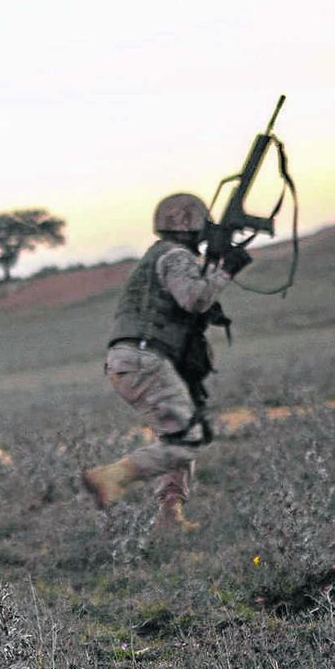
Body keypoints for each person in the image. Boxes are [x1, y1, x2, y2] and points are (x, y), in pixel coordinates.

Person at [82, 193, 252, 531]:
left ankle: (170, 516)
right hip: (146, 360)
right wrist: (225, 271)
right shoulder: (176, 256)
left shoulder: (157, 256)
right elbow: (194, 299)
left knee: (175, 436)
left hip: (130, 360)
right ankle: (111, 477)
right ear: (191, 224)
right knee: (187, 441)